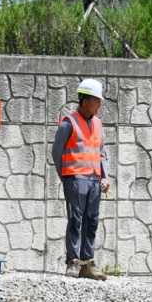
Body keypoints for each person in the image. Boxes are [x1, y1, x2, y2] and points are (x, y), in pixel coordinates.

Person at [52, 79, 110, 281]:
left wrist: (105, 176)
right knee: (75, 220)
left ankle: (88, 263)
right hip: (75, 179)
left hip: (94, 180)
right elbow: (56, 151)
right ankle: (73, 261)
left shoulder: (98, 123)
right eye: (97, 100)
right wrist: (66, 178)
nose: (99, 105)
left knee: (92, 220)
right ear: (85, 101)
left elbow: (101, 153)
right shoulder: (69, 122)